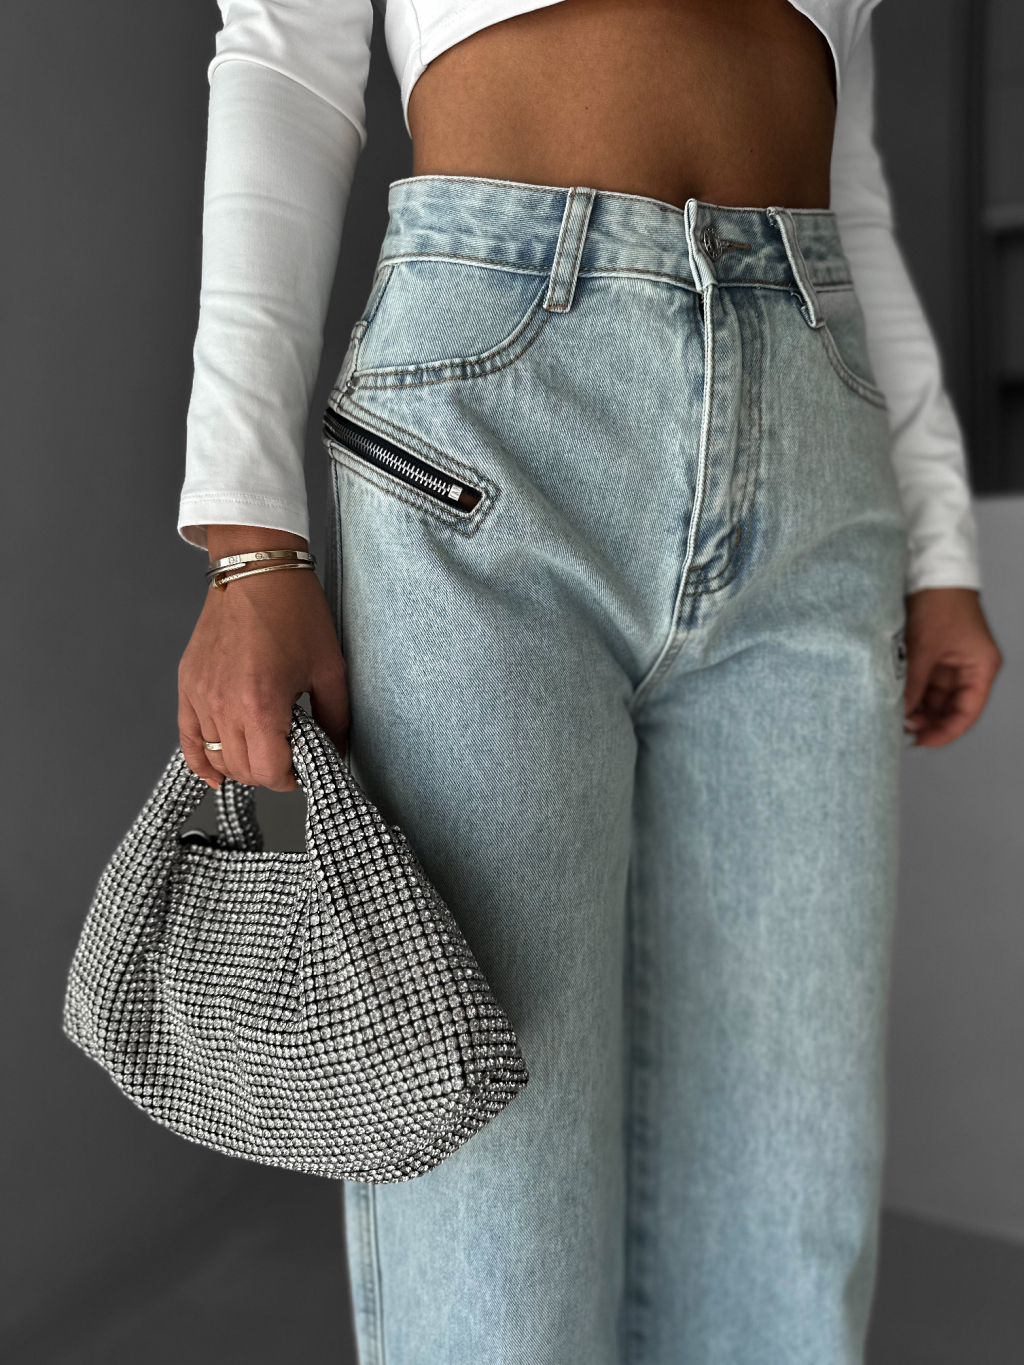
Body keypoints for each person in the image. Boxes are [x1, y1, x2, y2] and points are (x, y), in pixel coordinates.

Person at [176, 1, 1002, 1360]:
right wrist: (249, 536)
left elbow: (847, 176)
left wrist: (941, 544)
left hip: (814, 424)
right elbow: (286, 60)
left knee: (790, 1189)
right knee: (495, 1197)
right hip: (493, 414)